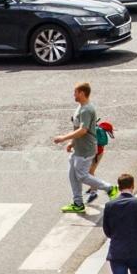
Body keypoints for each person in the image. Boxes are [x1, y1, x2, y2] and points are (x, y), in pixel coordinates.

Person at [57, 82, 102, 213]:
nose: (73, 95)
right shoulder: (80, 107)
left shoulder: (86, 110)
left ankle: (109, 188)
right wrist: (72, 142)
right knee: (73, 174)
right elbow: (77, 128)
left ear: (82, 93)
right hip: (78, 148)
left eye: (75, 92)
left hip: (85, 149)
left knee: (82, 176)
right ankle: (78, 203)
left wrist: (63, 138)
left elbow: (83, 130)